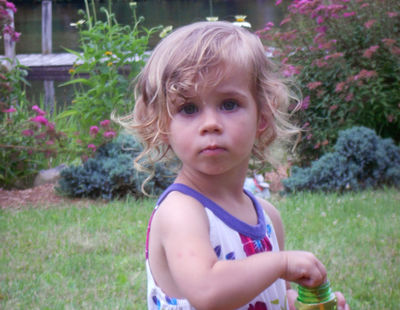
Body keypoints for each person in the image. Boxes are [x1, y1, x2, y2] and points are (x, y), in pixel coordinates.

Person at [116, 21, 350, 310]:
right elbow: (208, 291)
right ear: (164, 125)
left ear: (262, 116)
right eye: (188, 109)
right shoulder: (181, 212)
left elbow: (273, 296)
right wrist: (282, 262)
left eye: (228, 104)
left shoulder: (267, 217)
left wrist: (304, 304)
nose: (210, 123)